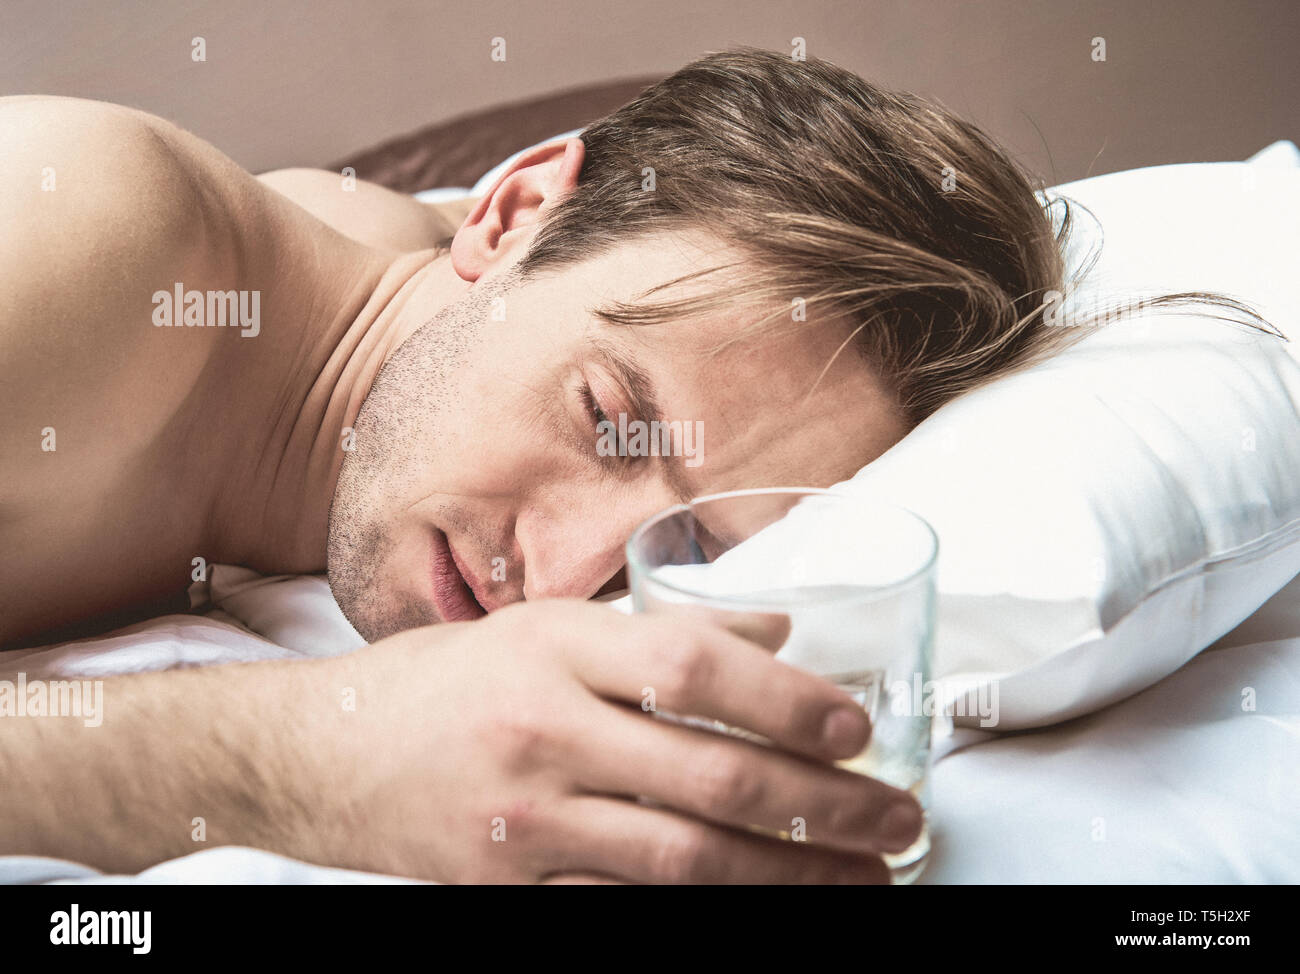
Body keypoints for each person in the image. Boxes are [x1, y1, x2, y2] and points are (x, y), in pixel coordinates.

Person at [0, 47, 1133, 882]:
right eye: (606, 417)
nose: (561, 578)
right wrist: (305, 755)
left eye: (687, 540)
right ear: (516, 211)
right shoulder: (95, 242)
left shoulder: (418, 267)